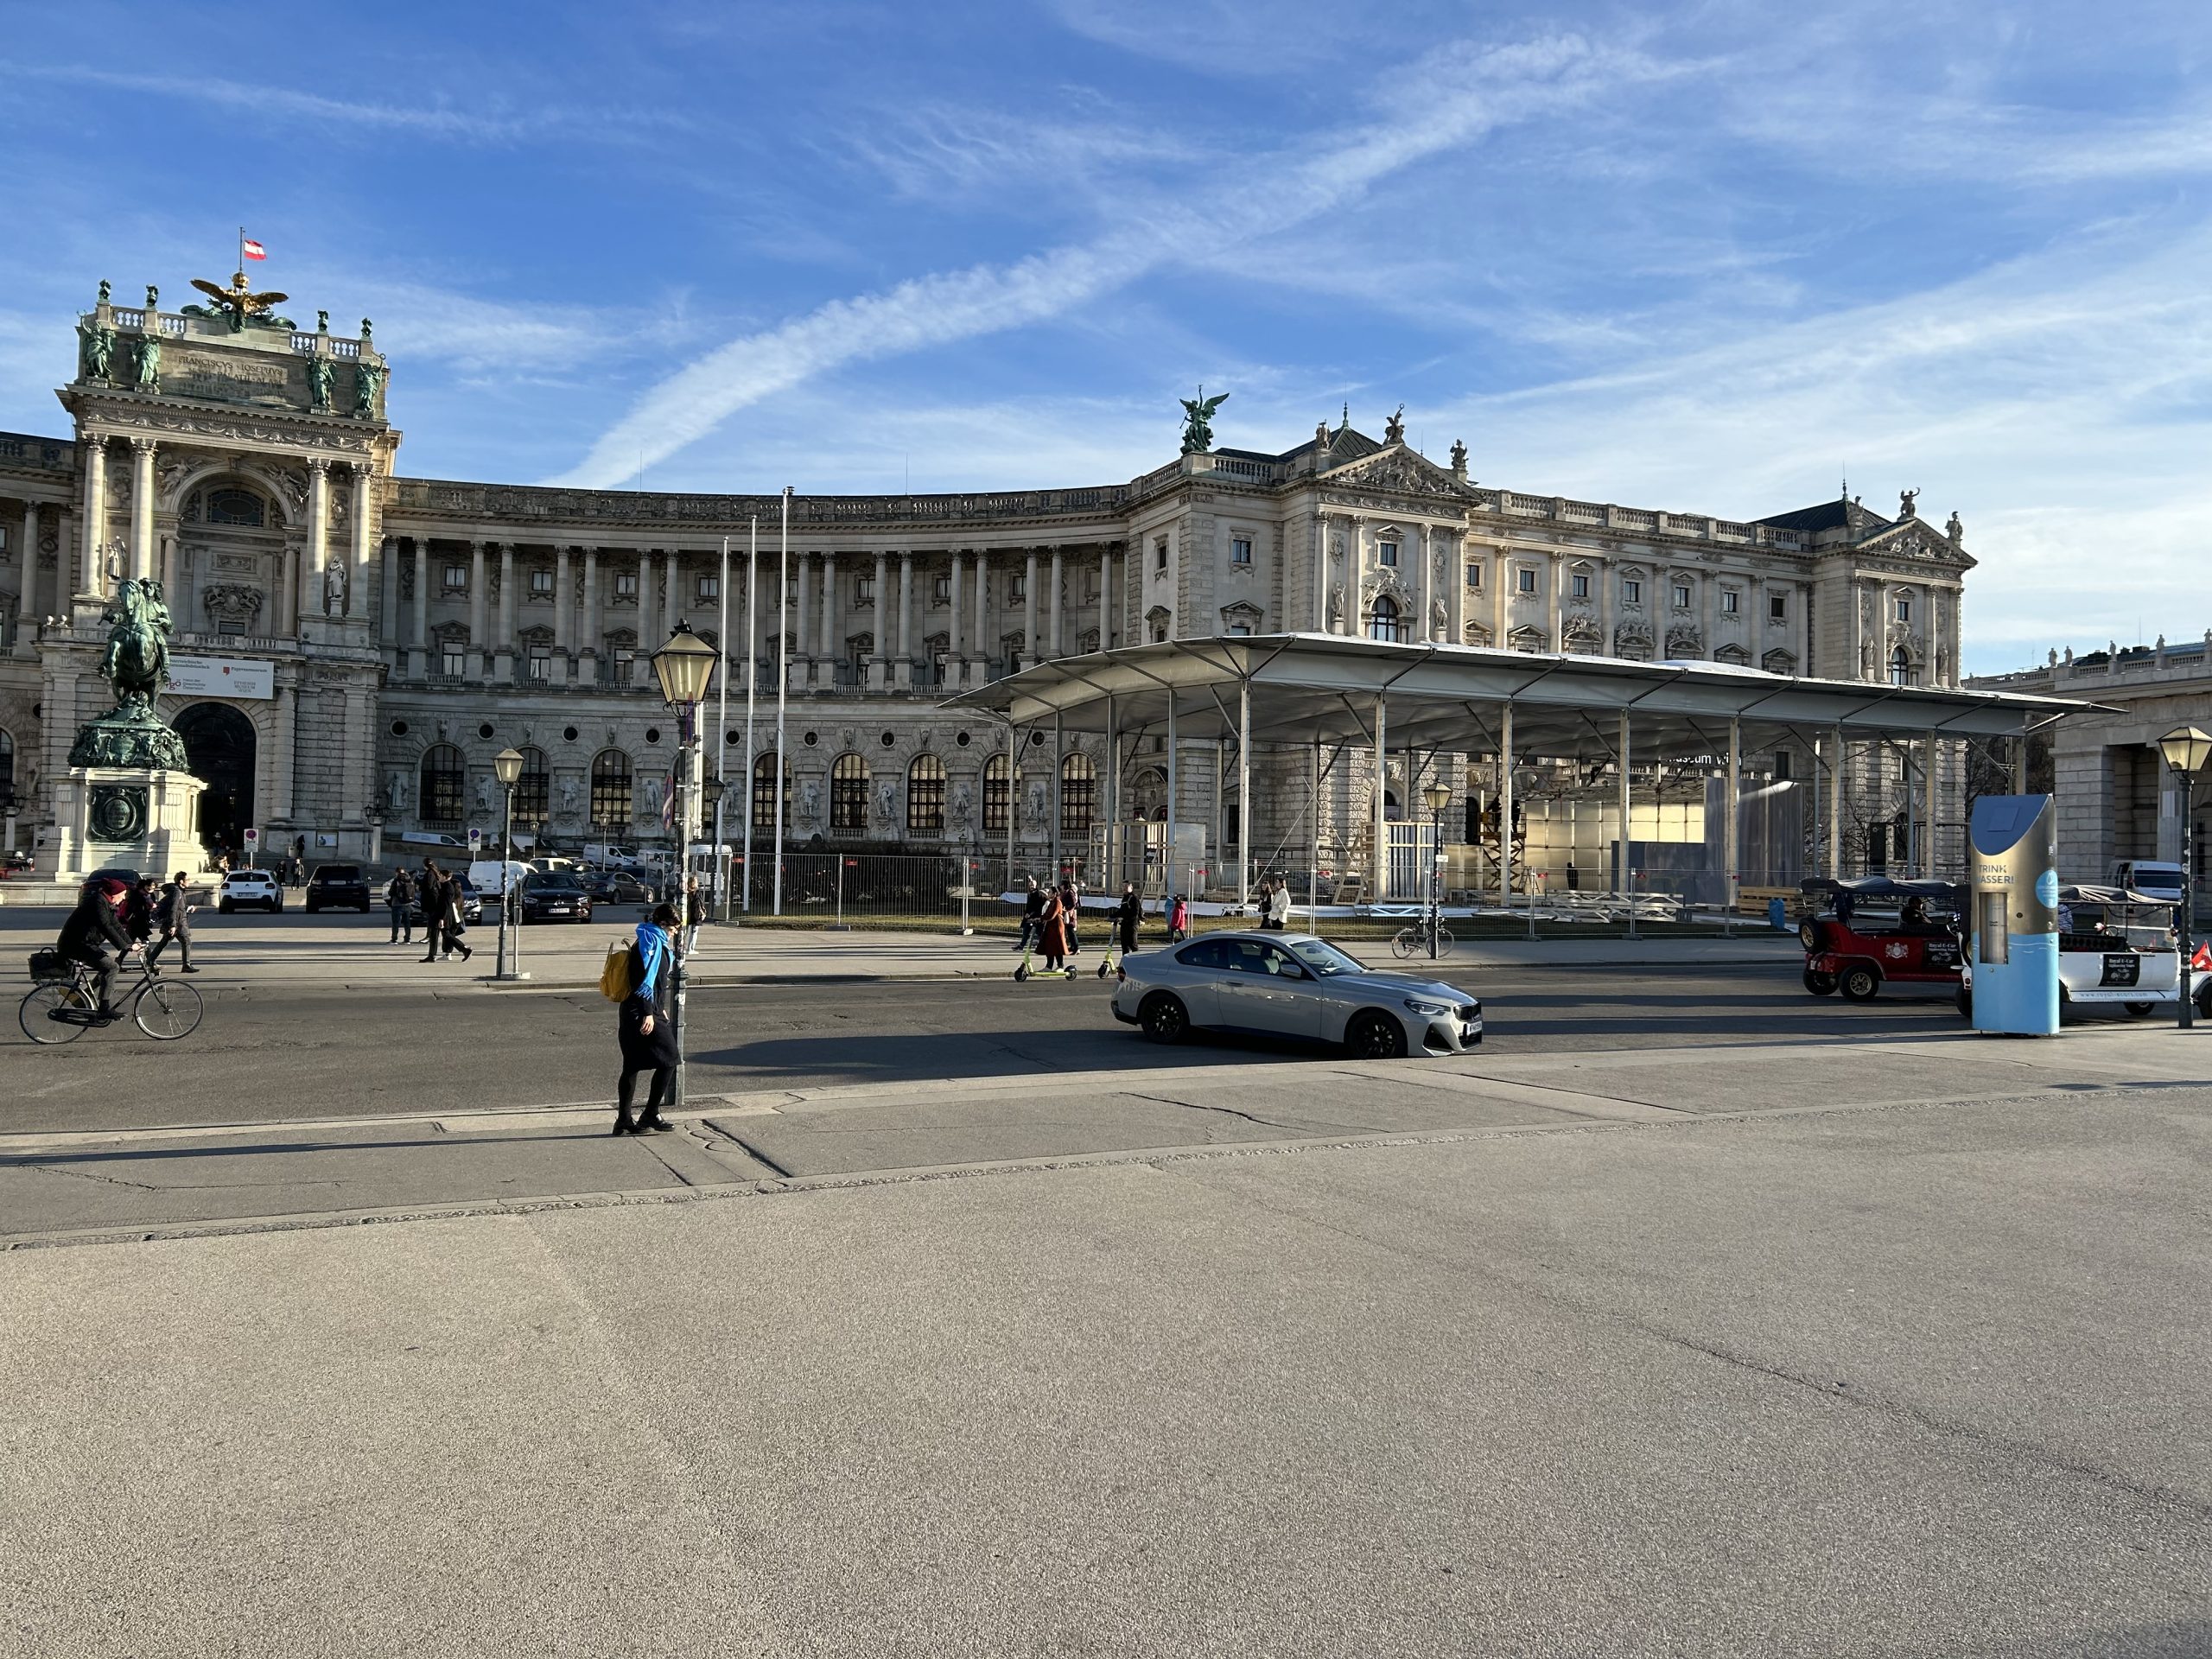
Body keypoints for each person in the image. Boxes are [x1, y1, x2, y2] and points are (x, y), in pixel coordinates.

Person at [613, 902, 682, 1135]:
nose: (674, 934)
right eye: (673, 929)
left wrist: (658, 1008)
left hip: (649, 1009)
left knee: (634, 1065)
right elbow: (641, 981)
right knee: (670, 1058)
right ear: (663, 924)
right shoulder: (647, 943)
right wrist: (648, 1013)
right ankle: (647, 1114)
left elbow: (658, 983)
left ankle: (626, 1119)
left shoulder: (656, 943)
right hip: (638, 1011)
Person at [57, 876, 136, 1019]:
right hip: (75, 945)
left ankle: (85, 994)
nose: (124, 898)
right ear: (114, 894)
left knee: (107, 966)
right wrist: (124, 946)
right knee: (112, 967)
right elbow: (105, 926)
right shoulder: (97, 903)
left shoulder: (105, 902)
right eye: (123, 894)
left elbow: (115, 926)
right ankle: (104, 1009)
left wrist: (130, 943)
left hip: (83, 944)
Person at [147, 871, 199, 973]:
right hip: (177, 922)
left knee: (164, 942)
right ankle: (186, 965)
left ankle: (150, 961)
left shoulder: (178, 890)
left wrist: (187, 909)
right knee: (186, 941)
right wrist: (173, 925)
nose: (189, 882)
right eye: (187, 880)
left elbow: (178, 907)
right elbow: (173, 908)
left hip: (177, 921)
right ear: (181, 881)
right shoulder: (177, 892)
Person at [1039, 881, 1069, 975]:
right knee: (1049, 947)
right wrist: (1039, 918)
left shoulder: (1057, 902)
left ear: (1054, 894)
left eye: (1050, 893)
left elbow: (1052, 915)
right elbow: (1047, 913)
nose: (1048, 894)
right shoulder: (1052, 902)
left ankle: (1060, 966)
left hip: (1057, 928)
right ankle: (1049, 966)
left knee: (1057, 947)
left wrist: (1043, 919)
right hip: (1050, 928)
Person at [386, 868, 416, 945]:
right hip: (408, 904)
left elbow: (391, 892)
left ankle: (394, 939)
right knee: (407, 923)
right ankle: (407, 939)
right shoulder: (410, 880)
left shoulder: (396, 881)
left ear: (397, 873)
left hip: (397, 904)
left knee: (396, 923)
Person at [1017, 877, 1045, 953]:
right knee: (1026, 931)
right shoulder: (1031, 893)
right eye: (1030, 885)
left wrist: (1030, 913)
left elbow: (1037, 906)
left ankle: (1043, 946)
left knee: (1038, 932)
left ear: (1036, 886)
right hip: (1030, 916)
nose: (1031, 886)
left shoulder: (1037, 894)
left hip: (1034, 916)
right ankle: (1021, 946)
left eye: (1033, 885)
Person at [1116, 882, 1141, 957]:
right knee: (1125, 946)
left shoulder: (1134, 898)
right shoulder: (1125, 898)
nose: (1124, 888)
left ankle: (1136, 963)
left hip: (1132, 925)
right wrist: (1111, 917)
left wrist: (1124, 918)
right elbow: (1121, 911)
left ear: (1131, 888)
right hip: (1124, 925)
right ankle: (1125, 964)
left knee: (1133, 945)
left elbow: (1135, 913)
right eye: (1123, 886)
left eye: (1126, 886)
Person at [1058, 878, 1081, 956]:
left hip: (1069, 915)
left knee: (1071, 931)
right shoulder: (1064, 893)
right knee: (1069, 931)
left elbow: (1073, 903)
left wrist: (1068, 909)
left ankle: (1076, 947)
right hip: (1066, 914)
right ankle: (1073, 946)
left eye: (1061, 885)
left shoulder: (1069, 892)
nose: (1060, 886)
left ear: (1064, 886)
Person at [683, 874, 703, 954]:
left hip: (686, 914)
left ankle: (682, 947)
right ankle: (690, 949)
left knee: (684, 932)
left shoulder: (685, 892)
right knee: (694, 933)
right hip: (695, 914)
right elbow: (700, 904)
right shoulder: (697, 892)